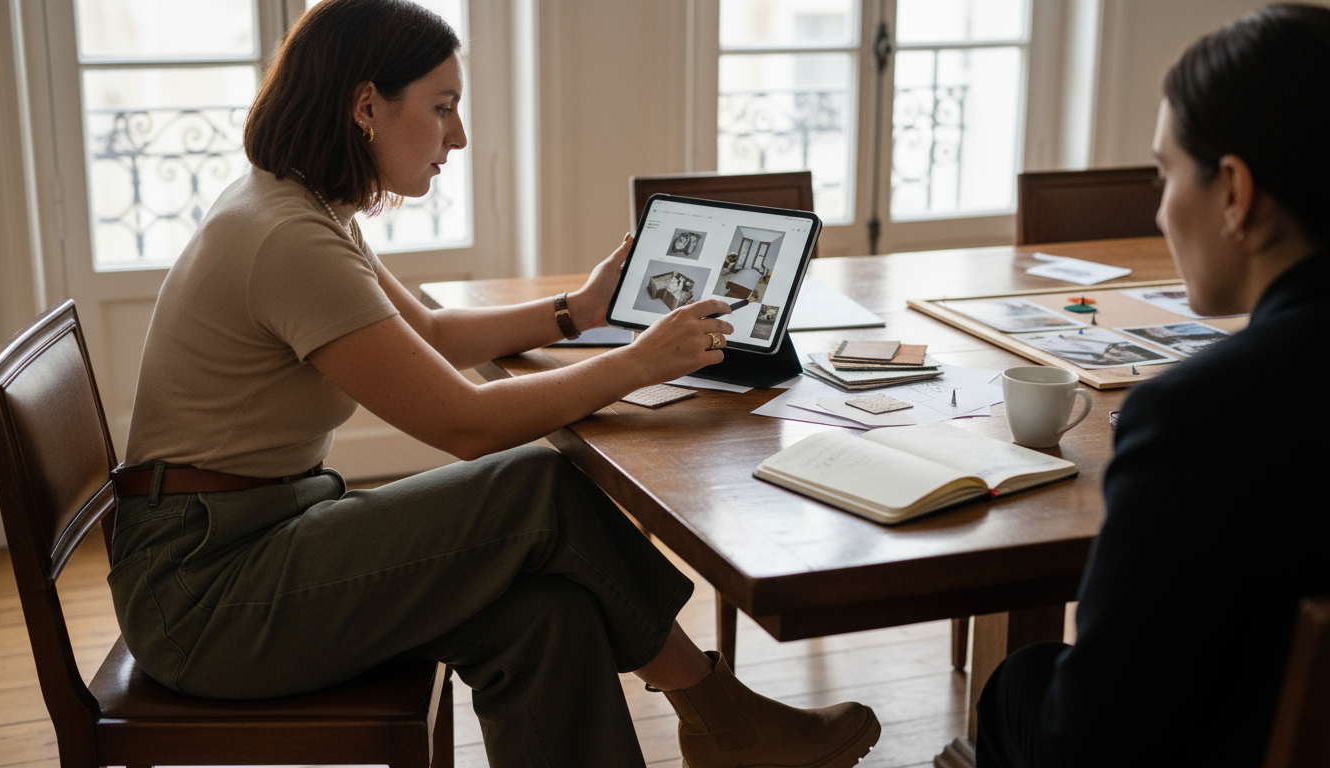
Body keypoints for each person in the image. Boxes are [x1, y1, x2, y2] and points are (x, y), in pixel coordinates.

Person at [106, 1, 882, 766]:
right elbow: (466, 425)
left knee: (548, 616)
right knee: (537, 487)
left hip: (255, 539)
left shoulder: (306, 209)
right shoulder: (286, 237)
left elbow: (435, 335)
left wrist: (577, 311)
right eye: (443, 107)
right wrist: (635, 362)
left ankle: (724, 729)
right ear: (367, 106)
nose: (459, 136)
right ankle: (722, 719)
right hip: (203, 596)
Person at [975, 4, 1329, 766]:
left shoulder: (1199, 417)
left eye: (1164, 172)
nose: (1159, 207)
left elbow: (1091, 741)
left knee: (1020, 684)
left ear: (1235, 192)